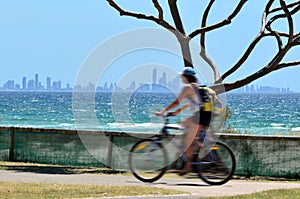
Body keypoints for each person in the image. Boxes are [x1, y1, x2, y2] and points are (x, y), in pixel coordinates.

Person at [155, 67, 211, 175]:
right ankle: (198, 145)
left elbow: (177, 101)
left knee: (188, 142)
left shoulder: (187, 88)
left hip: (200, 116)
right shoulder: (196, 86)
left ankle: (188, 166)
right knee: (183, 124)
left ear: (186, 77)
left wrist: (163, 111)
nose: (181, 77)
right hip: (203, 115)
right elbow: (189, 103)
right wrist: (176, 112)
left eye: (182, 75)